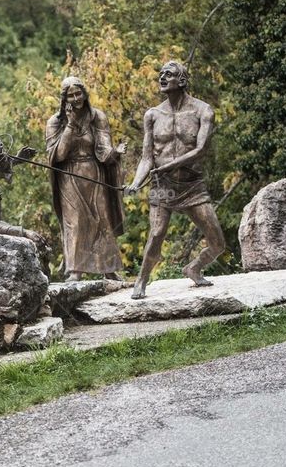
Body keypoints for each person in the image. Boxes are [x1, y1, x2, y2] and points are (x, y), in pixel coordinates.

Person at [125, 61, 226, 299]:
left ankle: (194, 268)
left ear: (181, 81)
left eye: (168, 75)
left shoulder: (203, 111)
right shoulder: (152, 115)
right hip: (163, 187)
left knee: (218, 243)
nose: (161, 78)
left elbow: (200, 149)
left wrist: (168, 165)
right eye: (160, 74)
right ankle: (141, 281)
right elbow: (147, 158)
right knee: (157, 233)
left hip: (192, 185)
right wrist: (136, 182)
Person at [46, 76, 126, 281]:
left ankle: (108, 268)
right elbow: (59, 154)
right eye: (70, 95)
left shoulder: (97, 116)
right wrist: (71, 126)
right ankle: (75, 270)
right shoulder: (55, 122)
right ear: (64, 99)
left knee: (102, 219)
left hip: (94, 173)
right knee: (75, 222)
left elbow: (103, 145)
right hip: (69, 177)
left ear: (85, 93)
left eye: (78, 93)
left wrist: (114, 153)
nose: (75, 98)